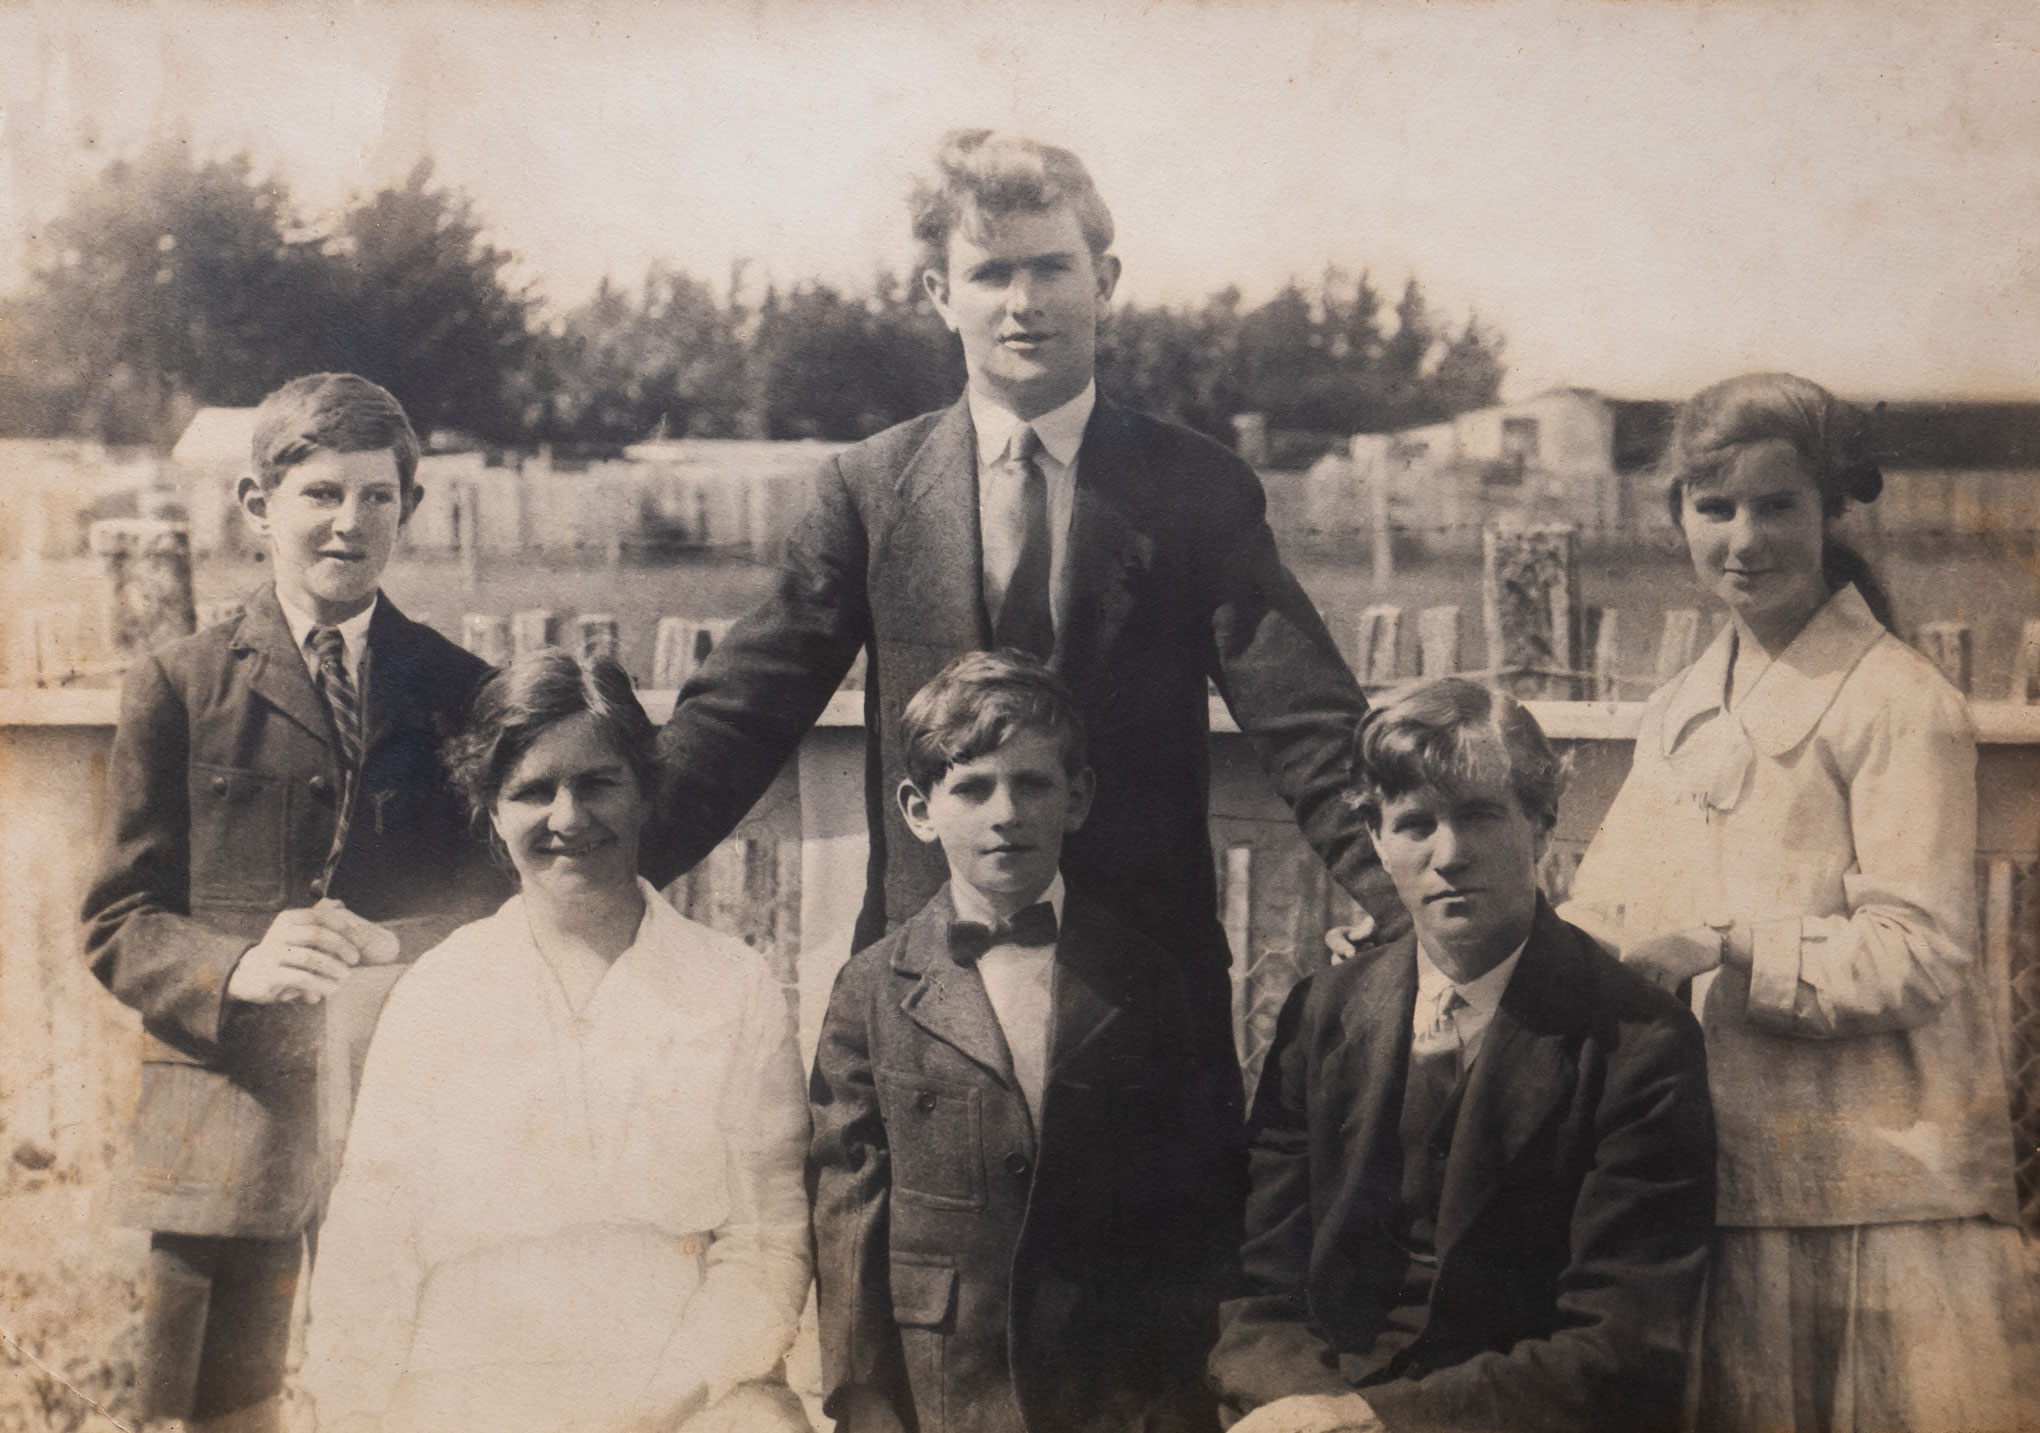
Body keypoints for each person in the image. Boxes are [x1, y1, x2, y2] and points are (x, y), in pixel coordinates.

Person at [649, 130, 1402, 1054]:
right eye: (990, 273)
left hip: (1143, 992)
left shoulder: (1195, 488)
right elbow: (744, 708)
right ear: (940, 294)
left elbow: (1309, 724)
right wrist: (605, 867)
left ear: (1104, 280)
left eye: (1051, 267)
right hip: (928, 982)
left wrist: (1415, 904)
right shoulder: (871, 489)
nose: (1024, 302)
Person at [1559, 372, 2031, 1433]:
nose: (1744, 539)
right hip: (1713, 1169)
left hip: (1873, 1189)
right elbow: (1608, 906)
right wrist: (1471, 946)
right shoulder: (1679, 707)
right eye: (1714, 506)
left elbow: (1918, 949)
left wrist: (1729, 941)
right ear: (1678, 514)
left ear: (1829, 510)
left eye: (1777, 505)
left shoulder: (1897, 700)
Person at [80, 373, 511, 1433]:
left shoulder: (458, 689)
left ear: (409, 507)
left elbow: (502, 903)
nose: (349, 521)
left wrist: (394, 947)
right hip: (226, 1120)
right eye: (320, 492)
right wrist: (235, 966)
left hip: (406, 1106)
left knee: (414, 1392)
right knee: (220, 1409)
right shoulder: (180, 684)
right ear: (257, 503)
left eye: (377, 495)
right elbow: (119, 918)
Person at [301, 650, 811, 1433]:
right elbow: (370, 1250)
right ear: (490, 809)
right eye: (534, 790)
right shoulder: (441, 993)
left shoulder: (730, 986)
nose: (569, 818)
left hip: (675, 1388)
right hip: (470, 1388)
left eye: (598, 783)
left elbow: (765, 1242)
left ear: (645, 790)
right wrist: (354, 1413)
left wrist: (667, 1396)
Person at [1211, 678, 1716, 1433]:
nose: (1449, 855)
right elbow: (1256, 1285)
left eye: (1479, 815)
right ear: (1376, 839)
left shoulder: (1640, 1043)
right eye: (1415, 823)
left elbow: (1623, 1345)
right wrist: (1303, 1408)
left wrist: (1373, 1420)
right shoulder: (1324, 1011)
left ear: (1542, 825)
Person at [809, 650, 1245, 1433]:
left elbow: (1189, 1201)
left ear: (1078, 798)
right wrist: (864, 1395)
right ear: (919, 809)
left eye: (1033, 783)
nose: (1005, 811)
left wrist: (1175, 1393)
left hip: (1108, 1385)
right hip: (938, 1384)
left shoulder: (1144, 979)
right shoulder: (871, 987)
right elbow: (849, 1200)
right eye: (972, 787)